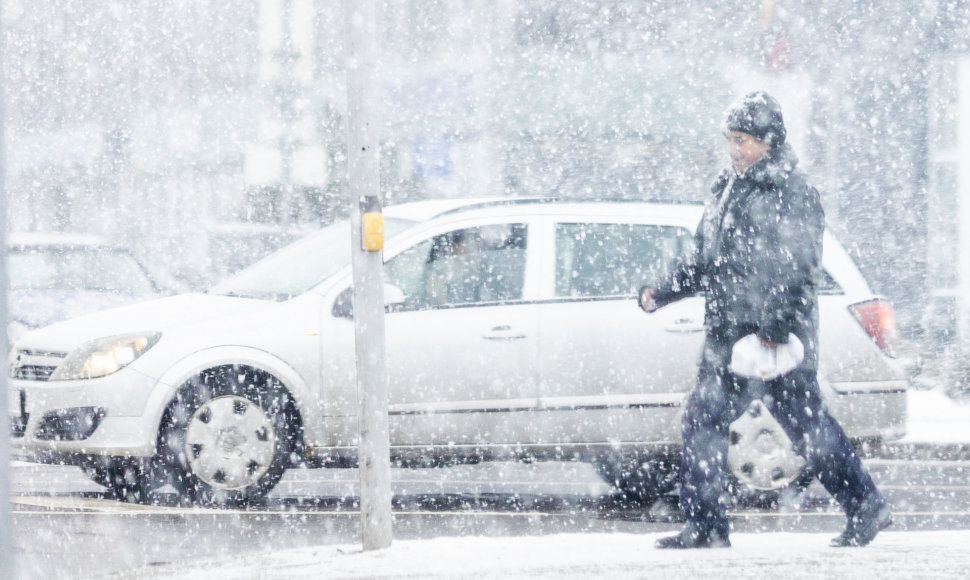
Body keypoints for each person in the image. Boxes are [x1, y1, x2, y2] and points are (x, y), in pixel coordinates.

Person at [640, 91, 892, 549]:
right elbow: (705, 259)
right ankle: (706, 525)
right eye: (730, 139)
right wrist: (662, 290)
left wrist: (773, 331)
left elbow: (797, 267)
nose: (735, 149)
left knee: (809, 430)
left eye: (744, 140)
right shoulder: (727, 189)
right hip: (727, 335)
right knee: (702, 422)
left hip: (775, 342)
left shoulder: (790, 192)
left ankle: (865, 506)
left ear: (769, 141)